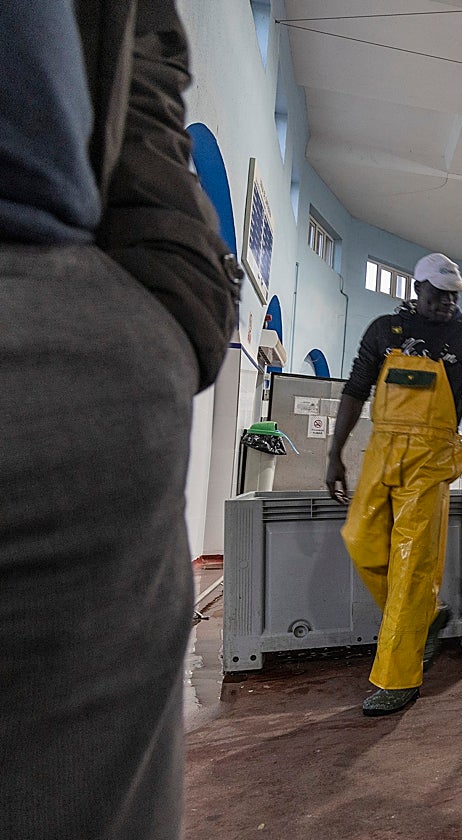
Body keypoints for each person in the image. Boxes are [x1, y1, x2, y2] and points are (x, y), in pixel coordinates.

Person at [0, 4, 240, 838]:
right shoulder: (391, 333)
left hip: (53, 318)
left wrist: (172, 302)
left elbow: (146, 52)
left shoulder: (457, 340)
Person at [326, 252, 462, 716]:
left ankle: (398, 678)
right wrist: (334, 455)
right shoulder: (384, 331)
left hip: (429, 460)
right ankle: (427, 615)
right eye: (440, 294)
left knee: (411, 564)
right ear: (418, 289)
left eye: (454, 296)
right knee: (361, 541)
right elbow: (356, 389)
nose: (448, 302)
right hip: (383, 452)